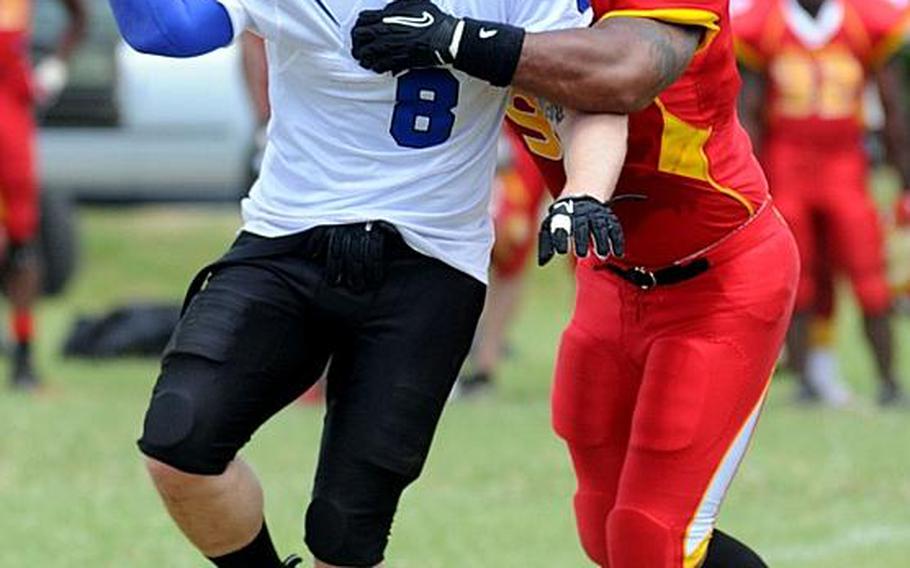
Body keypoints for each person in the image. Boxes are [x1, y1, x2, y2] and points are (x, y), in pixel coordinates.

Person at [107, 0, 591, 566]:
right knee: (178, 438)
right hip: (288, 239)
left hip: (430, 263)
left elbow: (582, 80)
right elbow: (169, 29)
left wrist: (585, 185)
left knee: (346, 532)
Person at [352, 0, 800, 566]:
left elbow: (621, 75)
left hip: (718, 277)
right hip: (609, 273)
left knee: (650, 537)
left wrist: (459, 38)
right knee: (604, 531)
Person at [735, 0, 910, 406]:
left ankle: (889, 382)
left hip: (845, 165)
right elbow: (751, 113)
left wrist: (905, 181)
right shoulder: (768, 23)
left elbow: (891, 107)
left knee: (870, 275)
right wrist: (749, 185)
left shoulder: (860, 19)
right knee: (797, 276)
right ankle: (808, 380)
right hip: (787, 164)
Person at [0, 0, 85, 390]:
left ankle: (23, 359)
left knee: (22, 242)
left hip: (11, 120)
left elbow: (78, 16)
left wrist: (54, 70)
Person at [457, 128, 549, 398]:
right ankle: (452, 357)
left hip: (527, 133)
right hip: (479, 127)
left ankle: (485, 366)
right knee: (461, 245)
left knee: (510, 248)